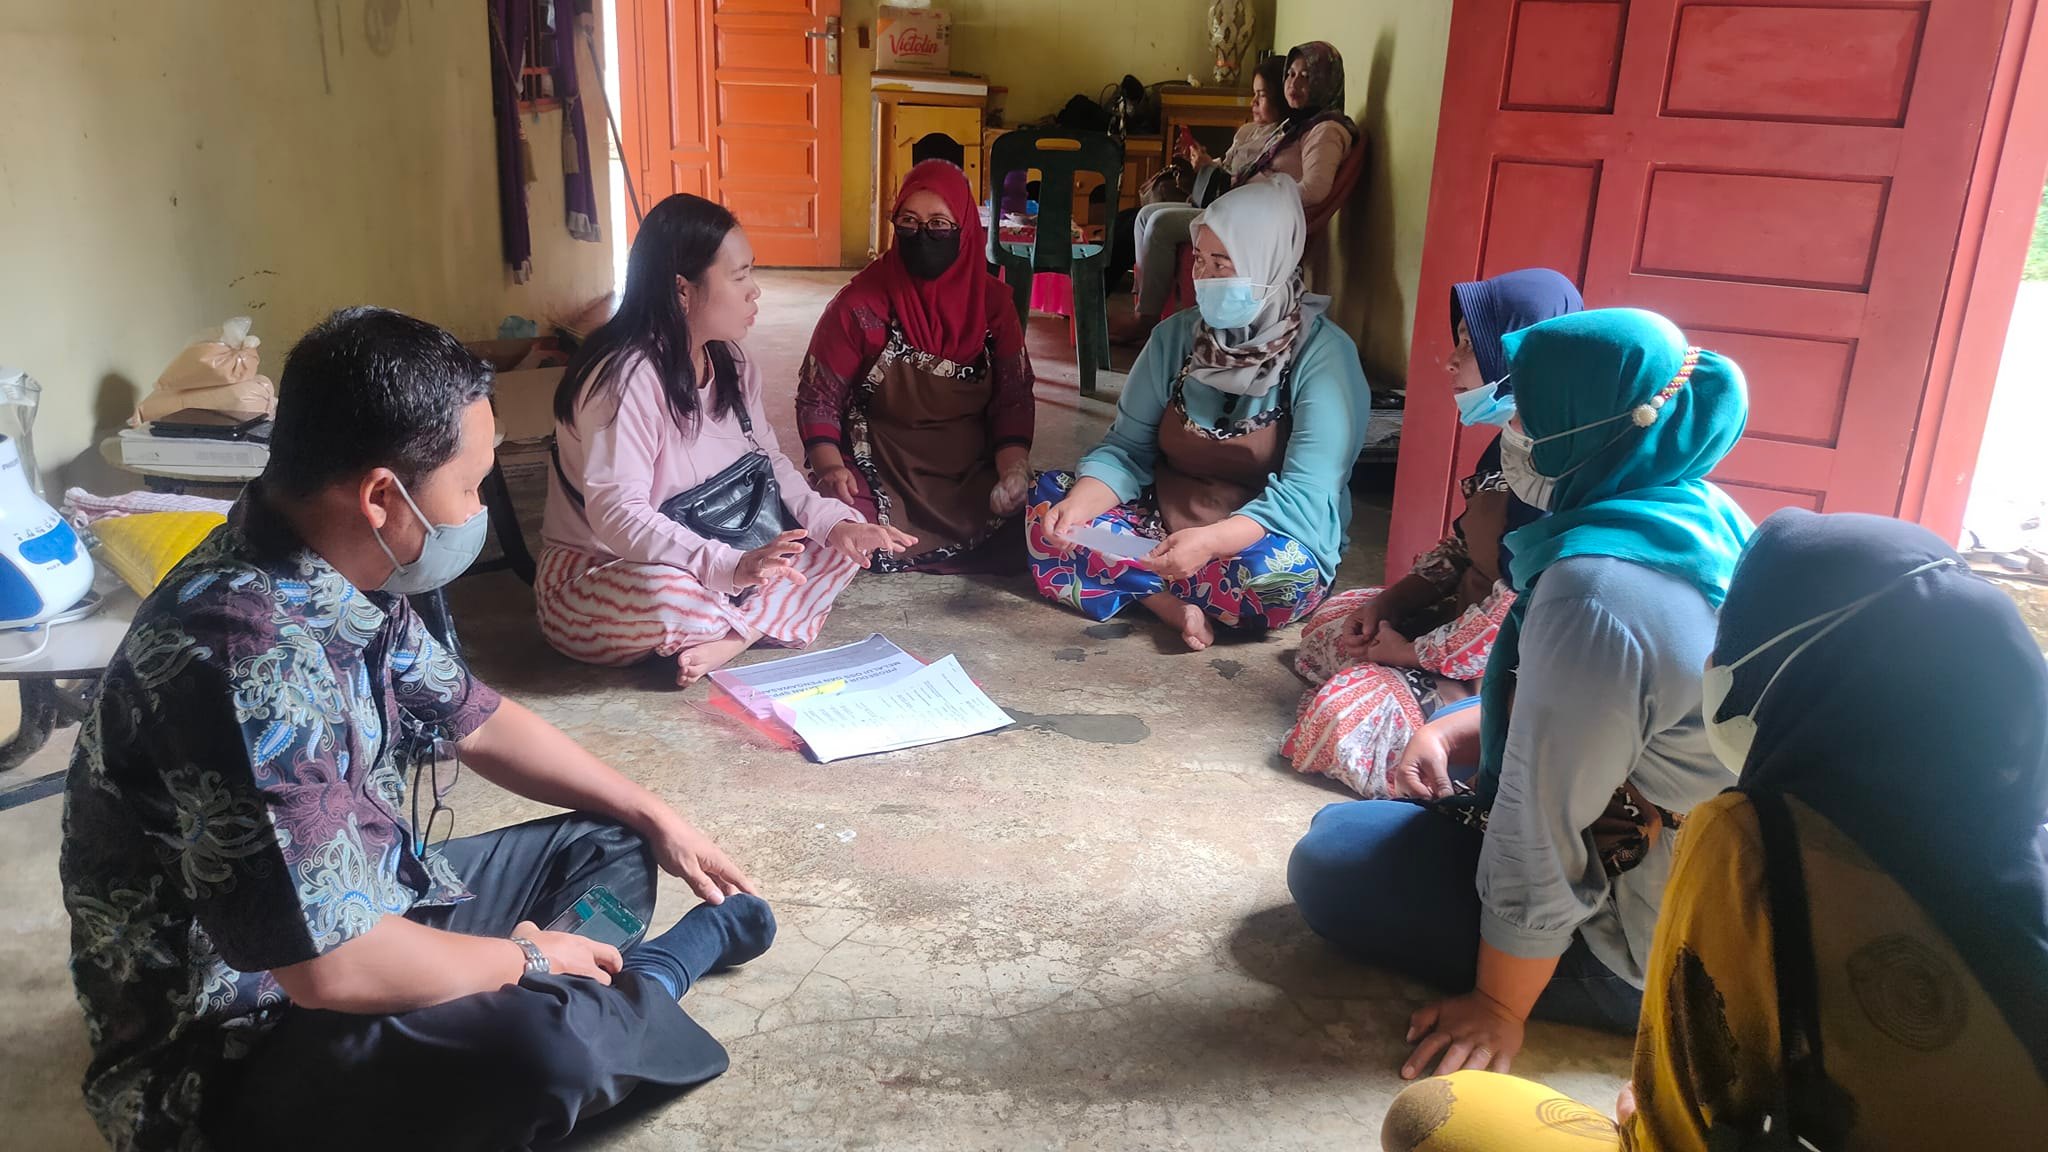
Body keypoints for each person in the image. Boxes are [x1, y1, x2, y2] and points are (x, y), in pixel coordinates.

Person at [60, 307, 780, 1152]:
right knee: (546, 1053)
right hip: (242, 1046)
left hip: (375, 907)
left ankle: (572, 999)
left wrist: (657, 816)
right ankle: (652, 977)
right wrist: (525, 960)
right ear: (379, 497)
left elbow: (478, 719)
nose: (478, 510)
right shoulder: (242, 656)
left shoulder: (341, 570)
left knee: (611, 844)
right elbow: (328, 968)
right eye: (471, 488)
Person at [1381, 510, 2048, 1150]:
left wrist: (1652, 1104)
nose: (1709, 665)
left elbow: (1694, 1110)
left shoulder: (1754, 840)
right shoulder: (2010, 835)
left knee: (1435, 1118)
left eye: (1730, 643)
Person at [1288, 309, 1754, 1071]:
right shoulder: (1690, 512)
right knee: (1356, 830)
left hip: (1650, 938)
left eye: (1526, 413)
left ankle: (1576, 984)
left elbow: (1540, 823)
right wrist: (1452, 729)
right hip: (1701, 878)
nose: (1511, 430)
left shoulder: (1595, 593)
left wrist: (1498, 1005)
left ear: (1584, 426)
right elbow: (1608, 710)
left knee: (1331, 864)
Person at [538, 193, 913, 683]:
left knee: (843, 536)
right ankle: (756, 620)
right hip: (606, 571)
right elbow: (618, 515)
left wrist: (833, 524)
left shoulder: (731, 362)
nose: (754, 291)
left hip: (721, 549)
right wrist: (730, 566)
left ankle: (736, 634)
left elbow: (770, 463)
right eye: (739, 277)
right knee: (667, 596)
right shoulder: (625, 378)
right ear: (682, 290)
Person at [1028, 175, 1370, 651]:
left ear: (1269, 261)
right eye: (1201, 262)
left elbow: (1306, 494)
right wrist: (1079, 507)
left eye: (1223, 264)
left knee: (1275, 579)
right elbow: (1126, 448)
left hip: (1258, 534)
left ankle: (1131, 580)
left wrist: (1209, 542)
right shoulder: (1175, 337)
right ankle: (1168, 602)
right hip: (1163, 517)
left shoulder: (1324, 357)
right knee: (1049, 506)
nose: (1205, 278)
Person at [1286, 269, 1582, 797]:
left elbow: (1513, 614)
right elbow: (1462, 546)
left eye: (1470, 344)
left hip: (1508, 662)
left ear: (1523, 357)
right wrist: (1389, 604)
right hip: (1462, 621)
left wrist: (1409, 653)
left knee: (1343, 714)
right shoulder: (1513, 440)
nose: (1450, 360)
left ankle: (1460, 726)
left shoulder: (1561, 475)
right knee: (1336, 620)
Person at [795, 160, 1035, 574]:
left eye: (939, 224)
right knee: (842, 523)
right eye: (908, 222)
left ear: (964, 228)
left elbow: (1012, 398)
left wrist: (1011, 470)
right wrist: (829, 466)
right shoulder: (861, 304)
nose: (922, 235)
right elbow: (819, 398)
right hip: (881, 458)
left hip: (967, 465)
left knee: (1040, 523)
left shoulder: (993, 306)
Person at [1116, 41, 1357, 344]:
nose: (1294, 83)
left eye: (1306, 76)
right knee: (1145, 215)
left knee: (1160, 223)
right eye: (1291, 74)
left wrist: (1254, 198)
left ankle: (1146, 320)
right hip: (1240, 210)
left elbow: (1316, 190)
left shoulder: (1326, 131)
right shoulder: (1298, 125)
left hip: (1260, 225)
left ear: (1324, 80)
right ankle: (1148, 307)